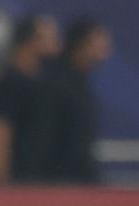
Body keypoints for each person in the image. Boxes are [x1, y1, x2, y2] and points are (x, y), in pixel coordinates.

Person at [0, 15, 59, 185]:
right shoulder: (10, 83)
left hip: (43, 179)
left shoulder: (40, 83)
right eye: (51, 37)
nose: (57, 44)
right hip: (20, 181)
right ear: (32, 41)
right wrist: (0, 179)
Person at [41, 16, 110, 185]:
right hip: (56, 184)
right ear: (82, 43)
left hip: (80, 182)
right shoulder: (55, 83)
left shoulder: (81, 83)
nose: (107, 46)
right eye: (100, 38)